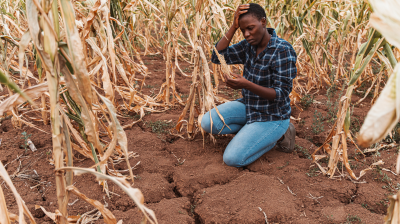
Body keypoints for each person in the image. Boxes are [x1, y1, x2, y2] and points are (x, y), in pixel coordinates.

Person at [201, 3, 297, 167]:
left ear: (263, 22)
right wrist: (233, 26)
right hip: (249, 106)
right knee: (208, 122)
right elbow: (218, 56)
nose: (246, 34)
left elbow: (280, 94)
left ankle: (279, 135)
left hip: (272, 115)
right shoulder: (249, 46)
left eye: (251, 28)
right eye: (242, 30)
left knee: (233, 159)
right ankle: (254, 133)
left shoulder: (282, 50)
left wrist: (247, 84)